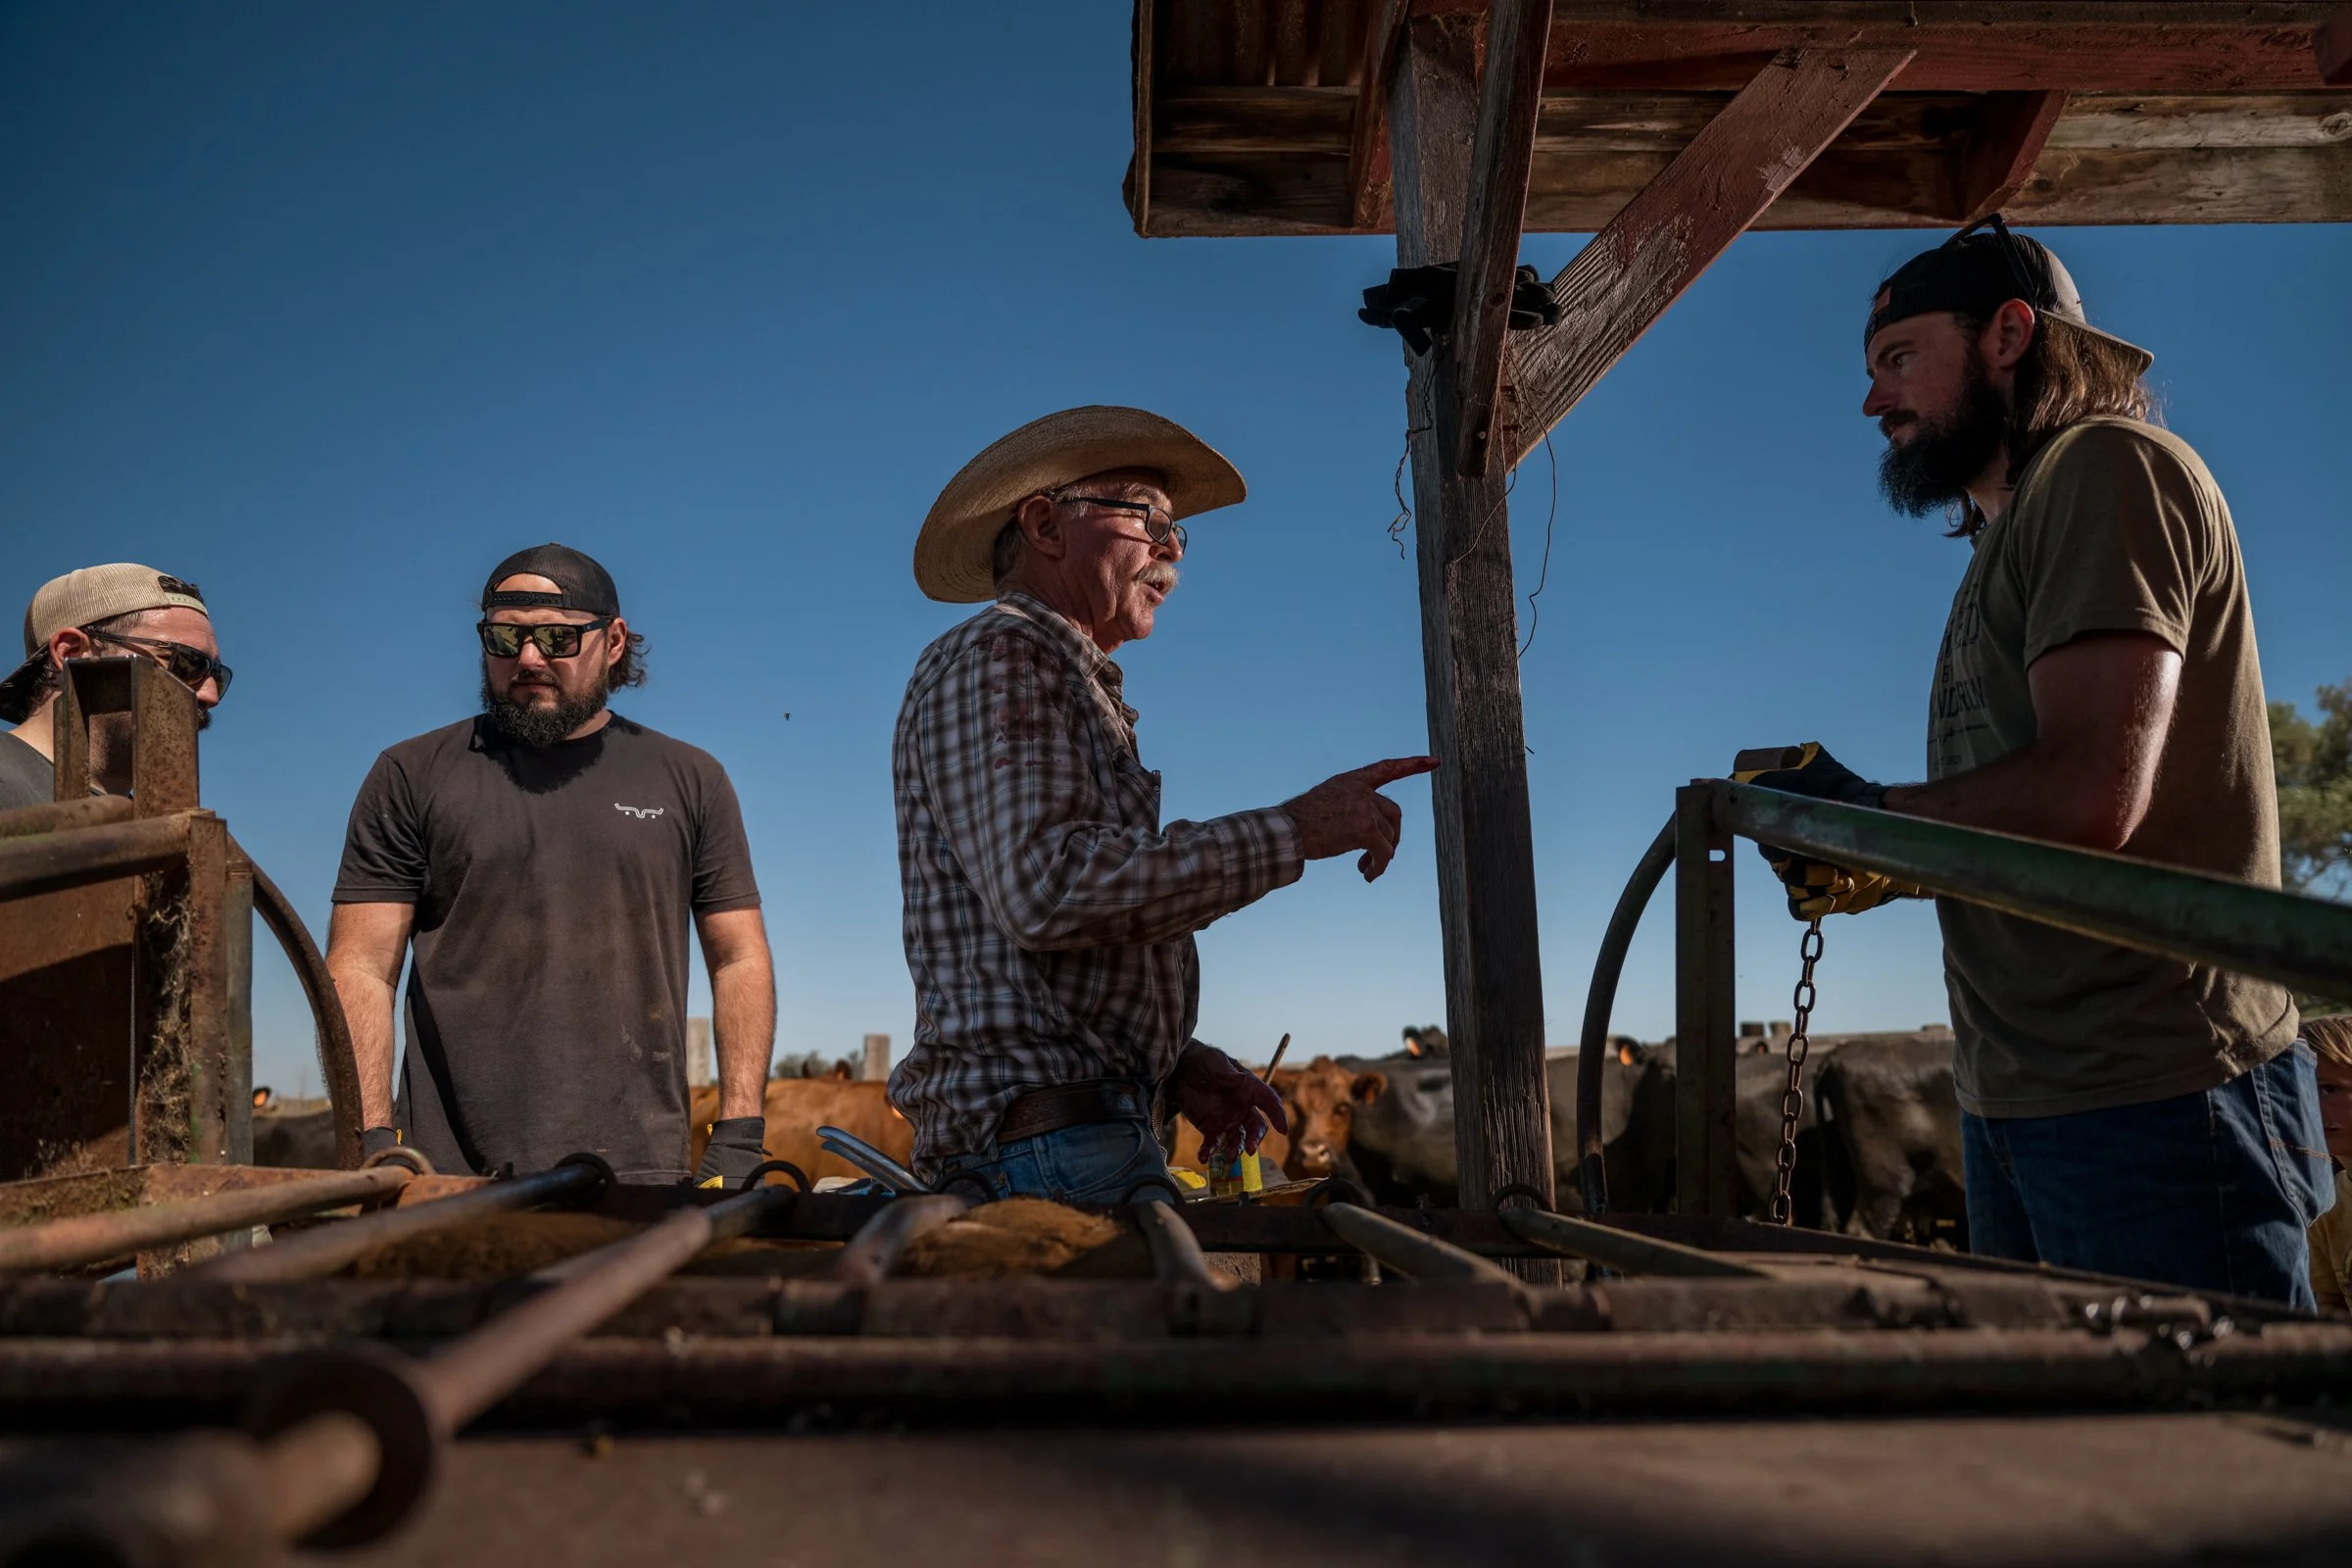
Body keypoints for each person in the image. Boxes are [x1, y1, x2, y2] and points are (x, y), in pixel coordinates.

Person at [1745, 217, 2329, 1306]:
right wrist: (1870, 835)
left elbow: (2088, 791)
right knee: (2075, 1460)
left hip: (2154, 1089)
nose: (1874, 401)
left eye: (1899, 359)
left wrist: (1872, 821)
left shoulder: (2110, 468)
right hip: (2020, 1090)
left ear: (2008, 335)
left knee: (2209, 1461)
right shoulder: (2006, 537)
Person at [892, 405, 1436, 1202]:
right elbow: (1051, 890)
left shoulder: (1061, 675)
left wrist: (1176, 1067)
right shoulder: (1004, 655)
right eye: (1146, 517)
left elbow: (1044, 955)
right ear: (1044, 524)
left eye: (1176, 528)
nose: (1173, 546)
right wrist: (1292, 830)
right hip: (1046, 1152)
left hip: (1068, 1136)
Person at [326, 545, 776, 1186]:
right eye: (506, 636)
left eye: (558, 638)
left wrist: (738, 1134)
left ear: (614, 641)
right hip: (444, 1176)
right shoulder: (412, 773)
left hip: (638, 1175)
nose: (529, 658)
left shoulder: (690, 780)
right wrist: (369, 1137)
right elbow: (361, 966)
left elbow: (739, 958)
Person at [0, 564, 228, 809]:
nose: (210, 695)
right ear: (73, 655)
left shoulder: (166, 831)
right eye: (186, 663)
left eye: (217, 675)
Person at [2305, 1016, 2352, 1313]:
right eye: (2300, 1091)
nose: (2310, 1104)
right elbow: (2331, 1303)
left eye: (2328, 1089)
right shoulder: (2325, 1206)